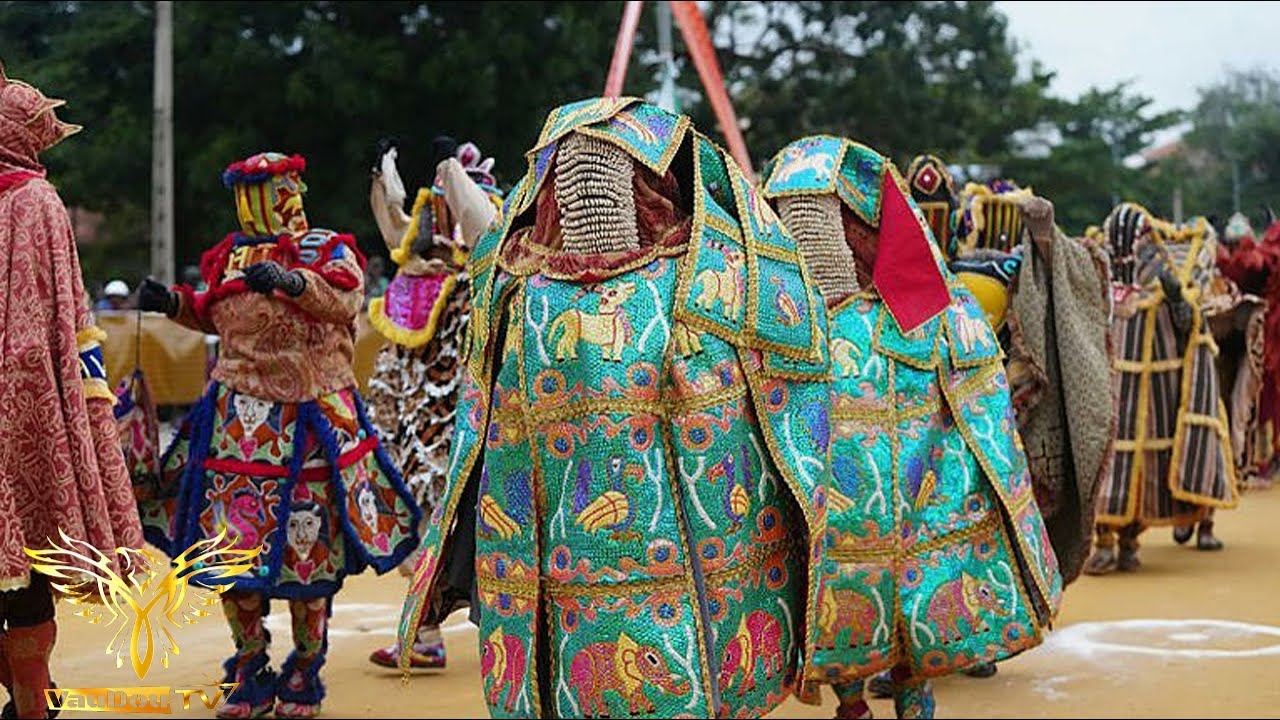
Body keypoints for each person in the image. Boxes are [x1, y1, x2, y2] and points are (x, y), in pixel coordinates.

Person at [397, 97, 832, 717]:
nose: (588, 189)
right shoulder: (519, 281)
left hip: (678, 540)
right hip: (557, 543)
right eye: (572, 173)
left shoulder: (701, 271)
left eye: (604, 170)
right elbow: (490, 422)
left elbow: (779, 375)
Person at [760, 136, 1061, 720]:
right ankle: (852, 703)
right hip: (829, 513)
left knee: (908, 631)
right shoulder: (785, 317)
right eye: (789, 216)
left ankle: (909, 697)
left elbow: (979, 394)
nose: (805, 233)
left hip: (917, 497)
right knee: (837, 615)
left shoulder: (929, 304)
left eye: (818, 217)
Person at [136, 152, 421, 719]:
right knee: (228, 553)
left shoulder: (327, 249)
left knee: (308, 554)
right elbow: (211, 314)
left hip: (310, 426)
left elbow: (345, 301)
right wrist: (172, 304)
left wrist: (294, 282)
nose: (281, 197)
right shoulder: (230, 255)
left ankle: (304, 667)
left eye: (283, 185)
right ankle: (250, 663)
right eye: (266, 188)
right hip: (237, 430)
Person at [0, 64, 145, 719]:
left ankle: (30, 697)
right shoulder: (37, 200)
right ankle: (34, 702)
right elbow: (51, 329)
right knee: (27, 581)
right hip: (23, 410)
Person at [363, 136, 503, 671]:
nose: (429, 252)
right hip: (424, 426)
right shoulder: (420, 283)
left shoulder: (480, 283)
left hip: (466, 428)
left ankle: (431, 632)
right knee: (430, 523)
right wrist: (385, 174)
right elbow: (398, 230)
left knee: (459, 527)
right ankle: (423, 633)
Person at [1084, 203, 1238, 574]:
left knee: (1141, 467)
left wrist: (1173, 291)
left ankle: (1127, 544)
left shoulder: (1168, 277)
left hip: (1153, 394)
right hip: (1112, 391)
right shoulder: (1098, 278)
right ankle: (1105, 543)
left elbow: (1189, 322)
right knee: (1108, 465)